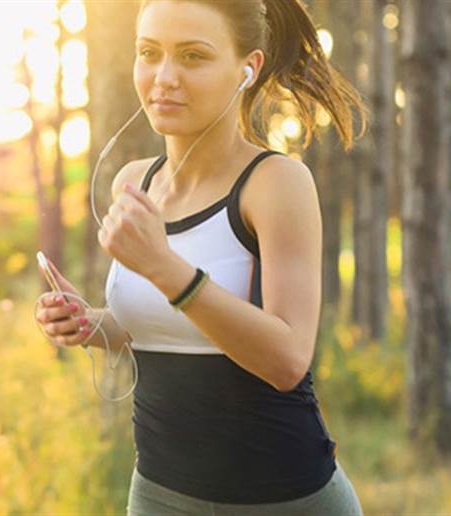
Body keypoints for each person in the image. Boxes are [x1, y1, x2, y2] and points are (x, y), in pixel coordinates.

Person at [34, 0, 367, 514]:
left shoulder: (276, 184)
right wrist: (89, 323)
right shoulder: (134, 182)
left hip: (287, 498)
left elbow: (287, 360)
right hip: (159, 495)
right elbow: (152, 327)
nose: (164, 77)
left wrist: (167, 270)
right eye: (149, 53)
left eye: (193, 56)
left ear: (247, 68)